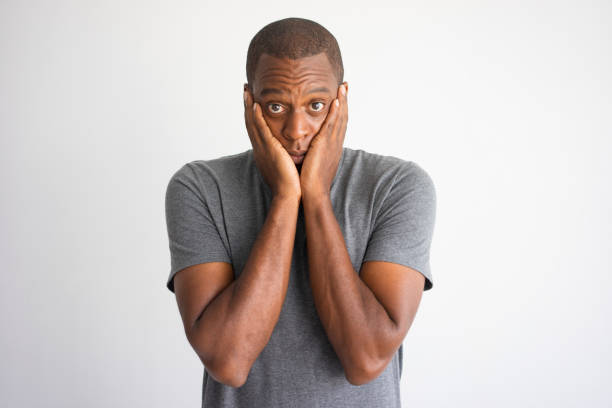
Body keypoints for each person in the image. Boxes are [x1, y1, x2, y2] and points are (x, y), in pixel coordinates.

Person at [164, 17, 436, 408]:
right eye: (276, 106)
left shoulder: (397, 186)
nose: (296, 129)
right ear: (249, 102)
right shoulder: (200, 187)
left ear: (341, 100)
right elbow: (229, 362)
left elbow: (365, 359)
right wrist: (285, 199)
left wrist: (317, 197)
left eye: (316, 105)